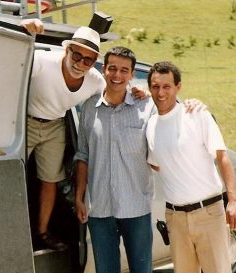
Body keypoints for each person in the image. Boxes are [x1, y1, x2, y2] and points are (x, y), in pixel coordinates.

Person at [146, 61, 236, 273]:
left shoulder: (196, 114)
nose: (161, 92)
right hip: (176, 216)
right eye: (155, 86)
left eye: (167, 86)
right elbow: (157, 165)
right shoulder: (150, 125)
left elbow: (222, 156)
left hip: (209, 212)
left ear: (178, 88)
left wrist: (232, 198)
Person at [21, 19, 147, 251]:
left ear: (93, 64)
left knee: (50, 180)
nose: (80, 63)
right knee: (11, 178)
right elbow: (14, 65)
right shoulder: (42, 61)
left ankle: (41, 234)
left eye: (87, 60)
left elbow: (116, 88)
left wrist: (137, 89)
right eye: (76, 55)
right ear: (67, 50)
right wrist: (23, 30)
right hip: (23, 123)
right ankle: (14, 235)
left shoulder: (95, 81)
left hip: (55, 125)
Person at [74, 46, 160, 273]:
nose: (117, 75)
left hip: (136, 206)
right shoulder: (88, 110)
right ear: (104, 69)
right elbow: (82, 155)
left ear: (132, 73)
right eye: (112, 68)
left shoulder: (144, 107)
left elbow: (164, 134)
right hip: (100, 209)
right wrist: (80, 196)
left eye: (124, 70)